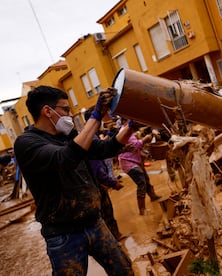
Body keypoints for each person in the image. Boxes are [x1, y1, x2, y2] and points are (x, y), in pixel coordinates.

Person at [14, 85, 136, 275]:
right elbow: (65, 158)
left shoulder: (67, 135)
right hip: (62, 235)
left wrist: (131, 127)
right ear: (47, 111)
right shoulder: (27, 143)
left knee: (124, 271)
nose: (70, 115)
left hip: (94, 223)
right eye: (65, 109)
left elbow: (106, 148)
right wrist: (96, 115)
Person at [84, 107, 126, 242]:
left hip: (93, 184)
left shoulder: (89, 136)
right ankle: (114, 239)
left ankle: (112, 238)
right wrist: (113, 183)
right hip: (97, 185)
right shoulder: (92, 139)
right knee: (106, 213)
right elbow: (97, 169)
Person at [118, 119, 161, 216]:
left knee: (145, 178)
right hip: (128, 162)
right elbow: (136, 145)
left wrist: (146, 155)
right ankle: (142, 209)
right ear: (125, 121)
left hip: (134, 160)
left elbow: (135, 149)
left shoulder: (127, 130)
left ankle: (153, 196)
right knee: (141, 182)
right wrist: (145, 139)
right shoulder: (124, 131)